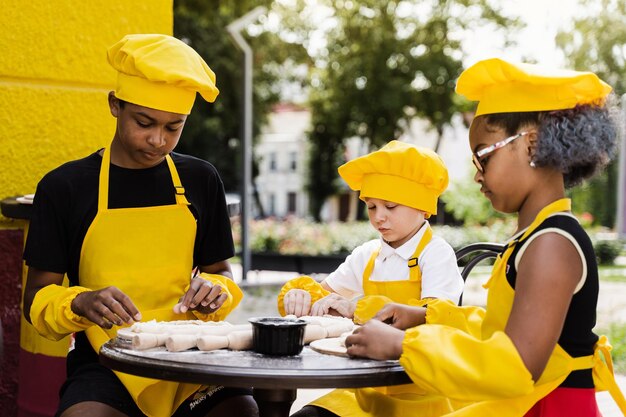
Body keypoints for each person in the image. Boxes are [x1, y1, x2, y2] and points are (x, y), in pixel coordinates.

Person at [345, 58, 626, 416]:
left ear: (531, 144)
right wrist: (424, 318)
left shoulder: (551, 244)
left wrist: (405, 346)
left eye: (483, 157)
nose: (477, 175)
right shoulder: (535, 236)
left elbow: (516, 365)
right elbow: (502, 327)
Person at [22, 34, 258, 417]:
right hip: (105, 363)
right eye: (144, 122)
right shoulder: (65, 187)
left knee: (243, 411)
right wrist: (81, 300)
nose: (157, 140)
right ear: (115, 105)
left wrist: (217, 290)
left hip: (193, 358)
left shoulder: (201, 179)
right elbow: (35, 298)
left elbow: (222, 273)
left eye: (173, 127)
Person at [279, 140, 465, 416]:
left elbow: (435, 318)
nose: (379, 218)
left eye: (390, 206)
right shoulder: (367, 254)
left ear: (423, 209)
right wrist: (301, 294)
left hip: (420, 393)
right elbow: (324, 293)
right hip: (364, 390)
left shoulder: (436, 254)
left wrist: (359, 308)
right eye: (372, 207)